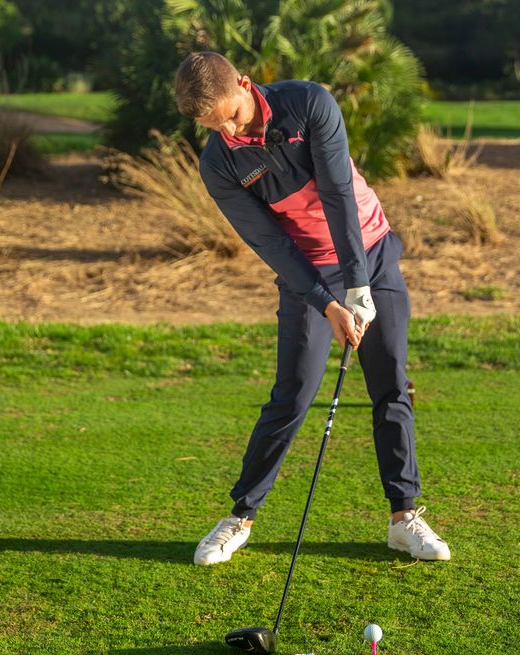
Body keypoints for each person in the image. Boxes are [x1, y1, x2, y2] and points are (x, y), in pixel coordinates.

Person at [174, 51, 450, 565]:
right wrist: (327, 302)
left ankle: (403, 519)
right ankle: (240, 516)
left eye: (231, 115)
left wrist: (359, 286)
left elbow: (338, 193)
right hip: (307, 273)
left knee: (389, 380)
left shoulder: (308, 104)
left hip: (369, 250)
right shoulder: (219, 162)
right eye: (213, 126)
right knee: (294, 394)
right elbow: (270, 243)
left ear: (245, 83)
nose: (229, 130)